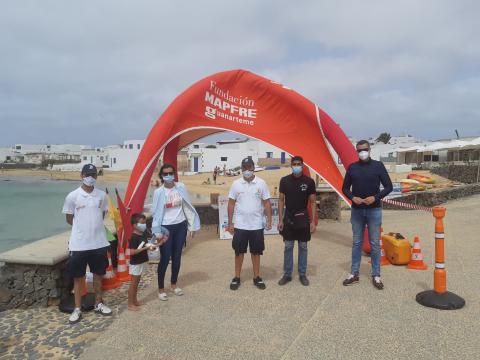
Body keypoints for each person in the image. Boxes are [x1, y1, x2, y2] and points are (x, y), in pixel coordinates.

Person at [62, 164, 112, 324]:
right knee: (78, 277)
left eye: (93, 174)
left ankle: (99, 303)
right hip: (79, 245)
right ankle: (77, 308)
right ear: (81, 175)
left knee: (98, 275)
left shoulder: (102, 195)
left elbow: (102, 214)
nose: (91, 177)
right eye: (88, 174)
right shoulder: (72, 196)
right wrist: (82, 229)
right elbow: (69, 219)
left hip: (98, 243)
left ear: (97, 177)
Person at [342, 140, 393, 290]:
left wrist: (375, 197)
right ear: (357, 152)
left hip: (374, 210)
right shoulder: (352, 167)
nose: (362, 152)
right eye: (359, 150)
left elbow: (388, 186)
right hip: (357, 210)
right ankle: (354, 273)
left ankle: (376, 275)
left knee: (375, 243)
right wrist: (352, 197)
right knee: (357, 242)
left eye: (364, 149)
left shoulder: (378, 166)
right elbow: (345, 188)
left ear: (369, 150)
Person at [151, 164, 201, 301]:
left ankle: (174, 285)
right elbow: (155, 213)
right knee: (165, 258)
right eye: (165, 174)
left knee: (177, 257)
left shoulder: (181, 187)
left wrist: (192, 226)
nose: (168, 176)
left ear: (174, 174)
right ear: (161, 176)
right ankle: (161, 289)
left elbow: (188, 206)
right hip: (165, 229)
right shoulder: (158, 192)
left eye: (171, 173)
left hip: (180, 226)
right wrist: (157, 232)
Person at [227, 158, 272, 290]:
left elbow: (267, 203)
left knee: (256, 252)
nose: (247, 170)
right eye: (244, 167)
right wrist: (230, 223)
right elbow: (231, 203)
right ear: (241, 168)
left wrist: (269, 220)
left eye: (249, 167)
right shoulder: (236, 184)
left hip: (257, 225)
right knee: (238, 252)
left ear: (253, 167)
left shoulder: (261, 183)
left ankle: (257, 277)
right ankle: (236, 277)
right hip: (240, 225)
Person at [277, 156, 317, 286]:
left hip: (302, 217)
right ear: (291, 165)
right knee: (288, 246)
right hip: (288, 216)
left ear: (303, 165)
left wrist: (313, 222)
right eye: (294, 164)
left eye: (299, 164)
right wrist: (280, 220)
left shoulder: (309, 182)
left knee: (303, 246)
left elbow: (312, 202)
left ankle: (302, 274)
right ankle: (287, 274)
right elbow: (281, 200)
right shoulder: (284, 181)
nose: (296, 166)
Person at [127, 213, 167, 311]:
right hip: (136, 263)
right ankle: (130, 304)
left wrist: (154, 246)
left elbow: (148, 246)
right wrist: (145, 248)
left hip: (142, 261)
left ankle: (135, 301)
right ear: (135, 225)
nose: (144, 225)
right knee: (133, 284)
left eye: (145, 222)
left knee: (137, 282)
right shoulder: (134, 237)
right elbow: (131, 252)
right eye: (142, 223)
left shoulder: (143, 234)